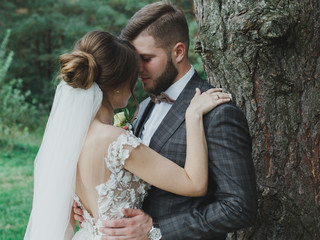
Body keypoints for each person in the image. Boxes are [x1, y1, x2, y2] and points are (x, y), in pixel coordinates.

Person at [74, 1, 257, 240]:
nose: (136, 69)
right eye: (132, 60)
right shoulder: (143, 108)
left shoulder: (216, 112)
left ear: (179, 52)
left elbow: (239, 208)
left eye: (146, 58)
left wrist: (156, 230)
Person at [24, 30, 231, 240]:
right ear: (118, 84)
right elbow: (194, 184)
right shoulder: (116, 142)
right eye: (133, 75)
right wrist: (193, 115)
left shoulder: (69, 139)